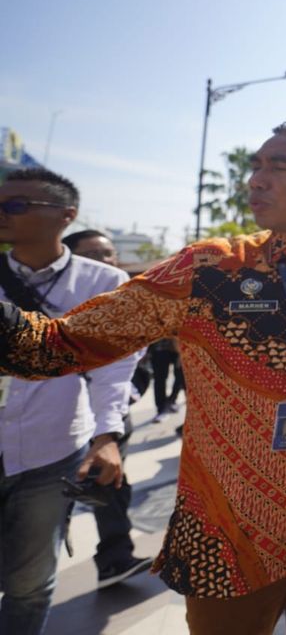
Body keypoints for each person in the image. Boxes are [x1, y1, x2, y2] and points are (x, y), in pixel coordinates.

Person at [0, 124, 286, 634]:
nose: (256, 179)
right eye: (256, 166)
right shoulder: (208, 268)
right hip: (227, 532)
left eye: (278, 166)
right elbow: (54, 346)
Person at [0, 174, 148, 633]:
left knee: (29, 582)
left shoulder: (105, 282)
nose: (3, 212)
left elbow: (114, 368)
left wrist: (107, 436)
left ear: (66, 216)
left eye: (17, 204)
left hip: (51, 451)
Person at [59, 229, 159, 590]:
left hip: (111, 418)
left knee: (111, 482)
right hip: (54, 419)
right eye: (93, 255)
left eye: (108, 253)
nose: (105, 262)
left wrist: (121, 401)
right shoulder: (50, 305)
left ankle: (115, 558)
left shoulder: (131, 303)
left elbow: (139, 366)